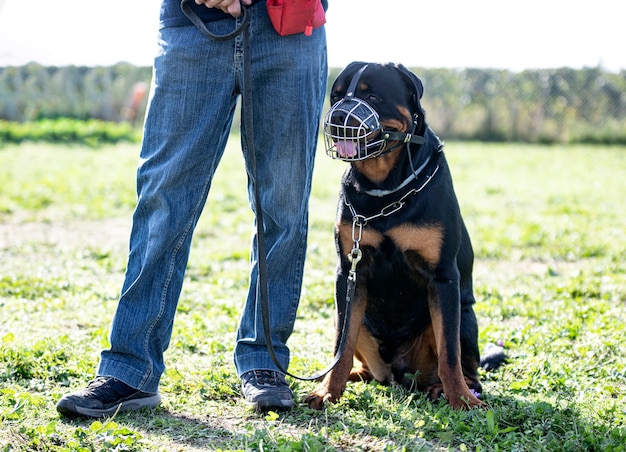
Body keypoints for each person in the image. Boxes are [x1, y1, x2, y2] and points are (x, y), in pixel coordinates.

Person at [56, 0, 328, 417]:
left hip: (289, 31)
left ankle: (264, 362)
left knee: (283, 206)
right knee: (163, 200)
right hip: (191, 26)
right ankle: (132, 369)